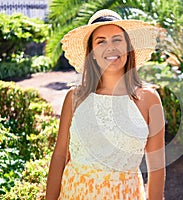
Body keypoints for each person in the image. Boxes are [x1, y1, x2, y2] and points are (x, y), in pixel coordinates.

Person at [46, 9, 165, 199]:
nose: (110, 48)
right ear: (92, 53)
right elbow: (60, 155)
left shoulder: (149, 99)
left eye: (117, 40)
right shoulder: (75, 97)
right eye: (101, 41)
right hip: (75, 193)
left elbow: (157, 167)